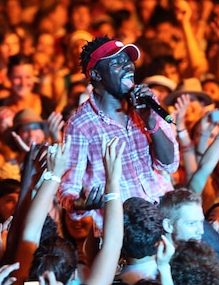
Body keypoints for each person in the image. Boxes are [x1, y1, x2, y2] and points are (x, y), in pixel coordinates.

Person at [59, 36, 179, 232]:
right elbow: (67, 190)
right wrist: (84, 204)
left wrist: (150, 121)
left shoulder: (145, 101)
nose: (128, 67)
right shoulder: (80, 124)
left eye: (128, 61)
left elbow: (169, 163)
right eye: (117, 64)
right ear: (96, 75)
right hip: (124, 228)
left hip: (164, 213)